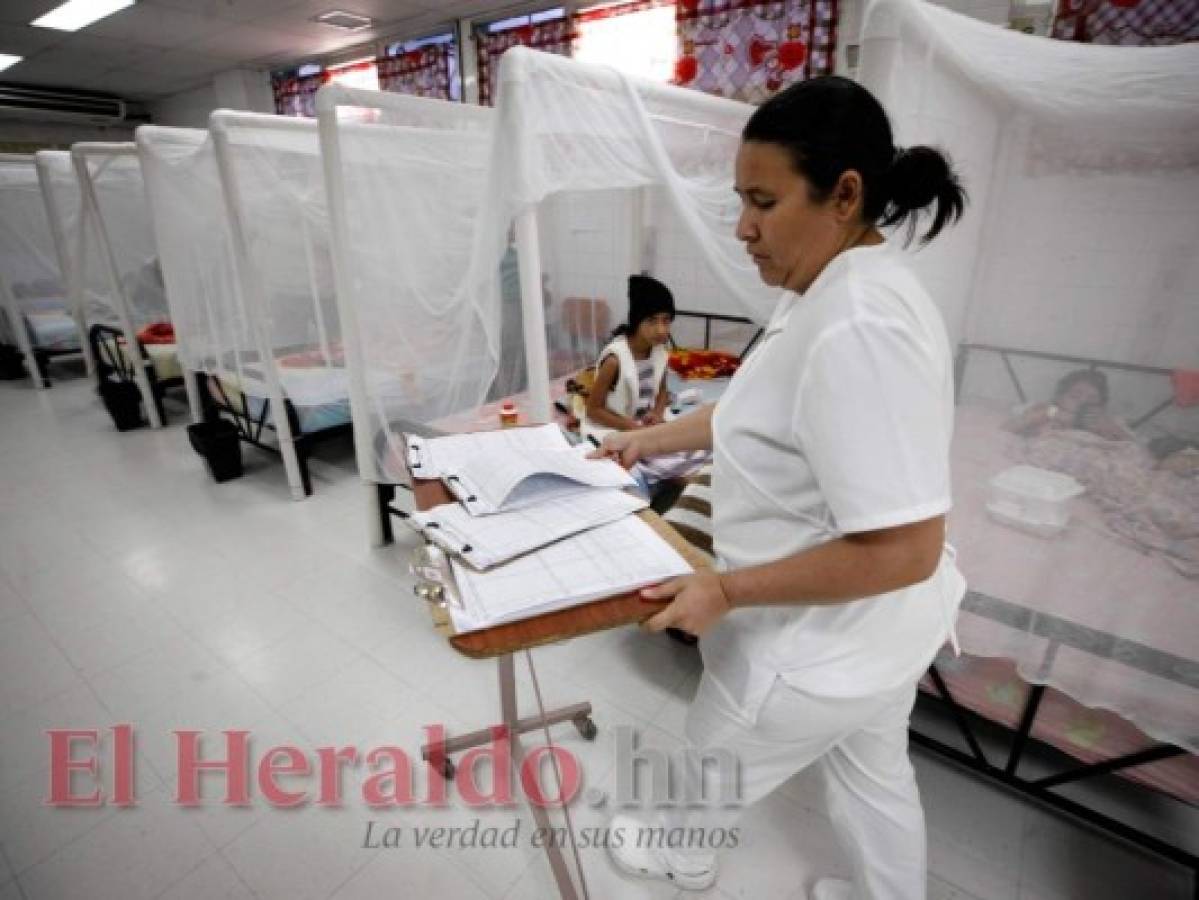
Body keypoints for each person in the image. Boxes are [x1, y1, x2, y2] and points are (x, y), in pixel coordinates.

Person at [593, 75, 968, 900]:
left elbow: (906, 548)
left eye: (762, 201)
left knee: (706, 767)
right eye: (739, 199)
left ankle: (677, 857)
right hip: (882, 637)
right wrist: (644, 439)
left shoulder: (856, 323)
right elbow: (758, 412)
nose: (741, 227)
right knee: (875, 782)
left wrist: (724, 588)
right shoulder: (832, 288)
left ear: (843, 194)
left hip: (810, 648)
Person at [582, 273, 675, 442]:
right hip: (615, 426)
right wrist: (632, 427)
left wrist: (657, 413)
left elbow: (662, 391)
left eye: (666, 320)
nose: (661, 330)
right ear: (637, 321)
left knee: (688, 446)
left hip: (645, 424)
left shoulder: (660, 352)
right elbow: (593, 410)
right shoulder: (614, 361)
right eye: (652, 321)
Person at [1004, 368, 1132, 441]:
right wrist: (1055, 414)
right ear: (1059, 397)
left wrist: (1109, 428)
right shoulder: (1049, 410)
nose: (1082, 401)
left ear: (1101, 406)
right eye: (1075, 395)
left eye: (1091, 399)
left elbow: (1135, 451)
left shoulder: (1107, 421)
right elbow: (1005, 430)